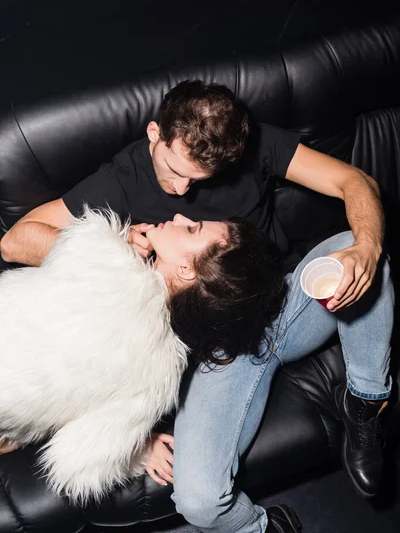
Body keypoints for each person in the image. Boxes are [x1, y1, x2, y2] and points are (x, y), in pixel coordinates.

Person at [0, 80, 393, 533]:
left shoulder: (251, 143)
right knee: (199, 501)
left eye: (199, 179)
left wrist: (366, 246)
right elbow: (15, 242)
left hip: (285, 305)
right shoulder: (122, 179)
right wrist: (114, 242)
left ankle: (365, 402)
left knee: (359, 250)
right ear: (154, 133)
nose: (183, 193)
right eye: (173, 169)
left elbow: (353, 181)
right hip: (216, 360)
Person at [0, 208, 287, 507]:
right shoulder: (159, 378)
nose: (179, 217)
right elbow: (79, 466)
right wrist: (139, 450)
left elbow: (81, 241)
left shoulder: (99, 250)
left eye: (191, 229)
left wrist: (121, 238)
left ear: (187, 270)